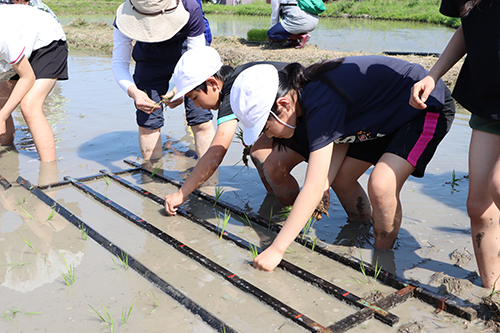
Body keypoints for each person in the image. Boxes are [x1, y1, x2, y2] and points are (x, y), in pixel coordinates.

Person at [231, 56, 455, 271]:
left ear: (284, 104)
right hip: (379, 116)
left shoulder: (320, 100)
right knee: (341, 178)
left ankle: (384, 260)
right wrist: (325, 184)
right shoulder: (306, 96)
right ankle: (362, 227)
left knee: (381, 184)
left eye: (266, 128)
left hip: (423, 105)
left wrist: (277, 249)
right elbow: (339, 138)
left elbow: (312, 186)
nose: (269, 136)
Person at [410, 0, 500, 289]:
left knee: (499, 185)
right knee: (478, 206)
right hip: (489, 98)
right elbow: (469, 26)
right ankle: (493, 291)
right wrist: (432, 75)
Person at [163, 46, 311, 215]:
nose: (197, 105)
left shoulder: (233, 91)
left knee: (272, 166)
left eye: (195, 98)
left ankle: (294, 214)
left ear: (212, 83)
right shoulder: (239, 76)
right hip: (288, 117)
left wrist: (181, 193)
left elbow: (215, 153)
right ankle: (277, 204)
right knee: (257, 153)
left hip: (303, 118)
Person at [112, 0, 215, 161]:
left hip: (188, 48)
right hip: (149, 55)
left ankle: (208, 180)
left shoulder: (190, 7)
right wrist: (134, 92)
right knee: (148, 121)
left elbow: (196, 59)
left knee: (200, 118)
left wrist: (180, 88)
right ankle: (152, 179)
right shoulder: (126, 13)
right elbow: (119, 63)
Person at [0, 4, 68, 162]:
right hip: (20, 40)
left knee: (29, 105)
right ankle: (7, 154)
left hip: (46, 40)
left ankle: (50, 174)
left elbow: (27, 77)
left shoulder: (2, 37)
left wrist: (2, 116)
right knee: (1, 100)